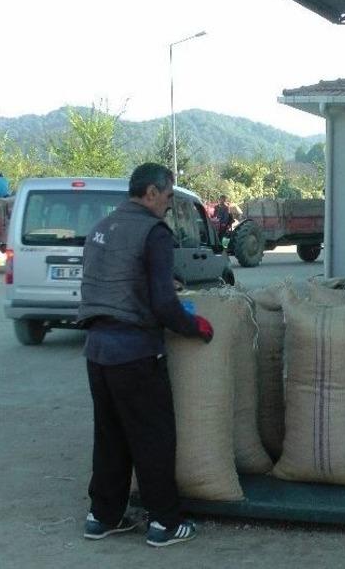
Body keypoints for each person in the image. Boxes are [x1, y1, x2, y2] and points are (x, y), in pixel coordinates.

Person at [77, 163, 214, 547]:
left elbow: (113, 280)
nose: (169, 205)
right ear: (152, 193)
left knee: (110, 437)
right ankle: (164, 525)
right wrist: (195, 327)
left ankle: (102, 517)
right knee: (153, 437)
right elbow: (164, 305)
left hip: (98, 352)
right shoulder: (153, 232)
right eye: (168, 196)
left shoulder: (102, 227)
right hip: (134, 353)